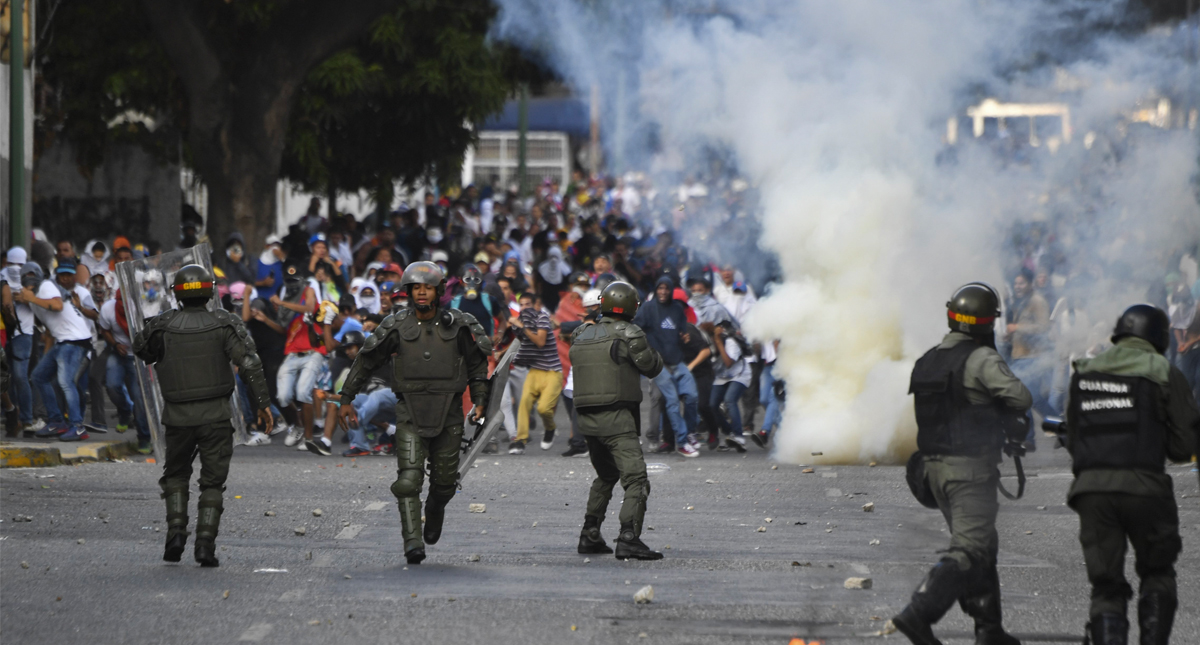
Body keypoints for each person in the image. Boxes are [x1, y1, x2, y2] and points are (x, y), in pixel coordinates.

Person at [892, 283, 1030, 645]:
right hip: (968, 471)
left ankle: (989, 630)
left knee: (983, 544)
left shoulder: (929, 358)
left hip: (932, 470)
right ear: (988, 322)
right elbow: (1021, 397)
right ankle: (919, 613)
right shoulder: (981, 359)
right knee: (970, 549)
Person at [337, 262, 491, 565]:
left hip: (449, 414)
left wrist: (481, 399)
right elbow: (366, 361)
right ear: (408, 291)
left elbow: (476, 364)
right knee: (408, 481)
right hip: (409, 411)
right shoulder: (395, 325)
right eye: (416, 287)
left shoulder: (460, 325)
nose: (421, 292)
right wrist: (346, 397)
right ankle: (412, 542)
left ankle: (434, 510)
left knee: (444, 485)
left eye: (427, 287)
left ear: (438, 290)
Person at [1064, 305, 1199, 645]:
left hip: (1092, 491)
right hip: (1145, 488)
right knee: (1157, 573)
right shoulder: (1162, 370)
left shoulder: (1084, 370)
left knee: (1106, 586)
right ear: (1159, 337)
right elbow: (1184, 446)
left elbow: (1074, 438)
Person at [132, 265, 272, 567]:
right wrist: (263, 404)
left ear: (177, 293)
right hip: (216, 417)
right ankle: (205, 546)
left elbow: (142, 350)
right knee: (212, 483)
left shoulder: (163, 324)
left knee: (176, 475)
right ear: (210, 292)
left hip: (177, 418)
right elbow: (249, 362)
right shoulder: (225, 323)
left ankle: (176, 534)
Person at [570, 281, 665, 560]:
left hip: (586, 419)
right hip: (617, 418)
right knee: (636, 479)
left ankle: (590, 534)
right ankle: (628, 538)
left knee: (607, 475)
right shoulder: (629, 333)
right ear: (632, 306)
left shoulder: (581, 333)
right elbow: (651, 366)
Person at [22, 262, 96, 440]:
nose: (30, 278)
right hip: (63, 341)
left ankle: (77, 426)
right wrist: (47, 356)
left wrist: (31, 298)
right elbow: (49, 328)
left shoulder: (45, 286)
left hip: (75, 339)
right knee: (39, 376)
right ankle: (56, 421)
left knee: (65, 382)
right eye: (26, 275)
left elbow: (57, 305)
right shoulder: (33, 299)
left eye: (33, 274)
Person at [633, 275, 700, 457]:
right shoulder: (648, 308)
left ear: (671, 290)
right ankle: (682, 442)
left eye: (666, 288)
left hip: (677, 361)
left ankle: (690, 432)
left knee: (692, 396)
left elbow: (682, 330)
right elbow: (635, 328)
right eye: (660, 288)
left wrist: (685, 336)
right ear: (656, 289)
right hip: (658, 363)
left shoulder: (677, 309)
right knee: (671, 401)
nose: (663, 292)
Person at [510, 292, 563, 453]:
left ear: (535, 306)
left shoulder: (542, 318)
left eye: (528, 304)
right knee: (524, 403)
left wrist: (522, 328)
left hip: (552, 372)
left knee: (544, 408)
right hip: (534, 371)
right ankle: (520, 440)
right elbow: (518, 343)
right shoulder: (522, 322)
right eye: (521, 305)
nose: (524, 308)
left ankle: (550, 428)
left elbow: (540, 341)